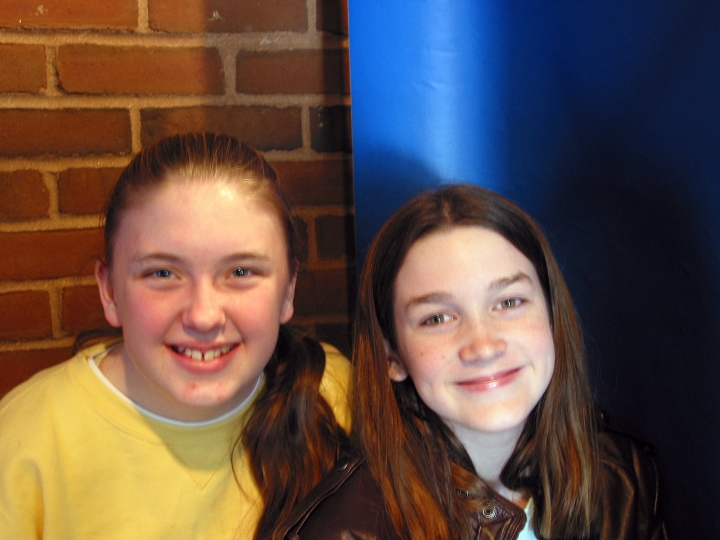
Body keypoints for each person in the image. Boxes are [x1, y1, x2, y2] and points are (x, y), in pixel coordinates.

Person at [0, 133, 351, 540]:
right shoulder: (25, 441)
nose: (204, 316)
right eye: (163, 273)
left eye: (240, 272)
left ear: (288, 290)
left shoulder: (334, 393)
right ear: (110, 291)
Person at [280, 184, 667, 539]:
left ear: (552, 316)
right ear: (391, 356)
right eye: (437, 318)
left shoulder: (621, 473)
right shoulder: (343, 531)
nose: (483, 347)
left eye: (509, 302)